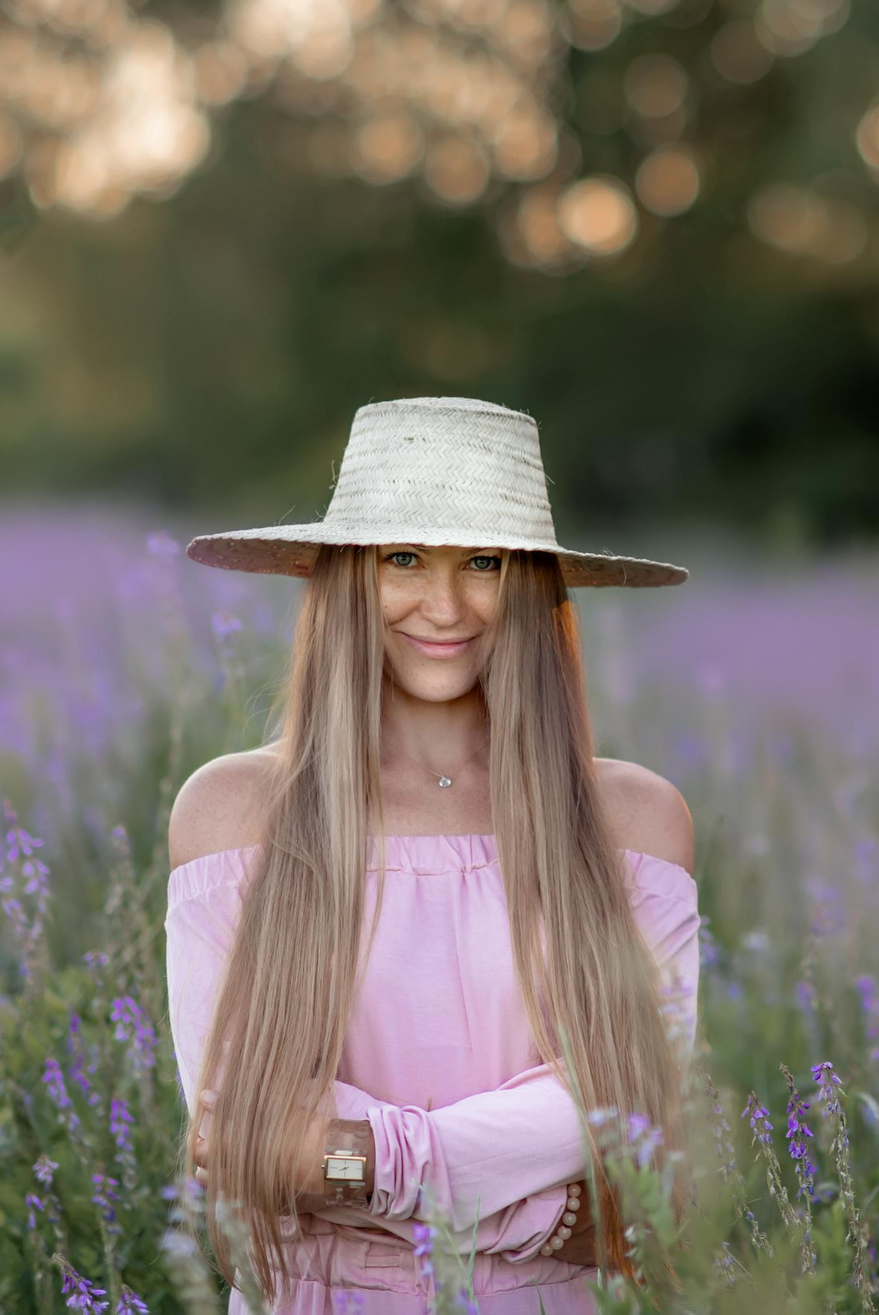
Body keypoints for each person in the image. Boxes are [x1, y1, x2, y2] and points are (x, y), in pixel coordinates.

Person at [163, 397, 700, 1313]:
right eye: (403, 558)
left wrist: (362, 1162)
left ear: (530, 583)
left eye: (483, 562)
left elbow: (637, 1144)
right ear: (346, 576)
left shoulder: (631, 821)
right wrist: (531, 1202)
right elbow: (242, 1148)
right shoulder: (237, 812)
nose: (444, 605)